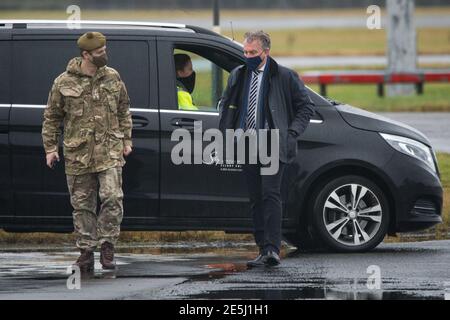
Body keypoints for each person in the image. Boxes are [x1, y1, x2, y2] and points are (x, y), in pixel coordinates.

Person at [219, 30, 315, 267]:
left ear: (266, 52)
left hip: (273, 143)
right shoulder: (239, 74)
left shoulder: (284, 76)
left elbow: (306, 107)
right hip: (246, 143)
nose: (248, 56)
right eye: (245, 51)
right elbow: (228, 104)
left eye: (253, 52)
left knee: (271, 195)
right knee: (255, 199)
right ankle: (262, 247)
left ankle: (273, 249)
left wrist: (291, 133)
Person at [42, 31, 133, 272]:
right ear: (85, 55)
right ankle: (86, 251)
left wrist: (126, 140)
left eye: (104, 50)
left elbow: (124, 109)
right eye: (99, 52)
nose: (104, 55)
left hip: (110, 151)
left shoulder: (113, 77)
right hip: (78, 153)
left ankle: (107, 246)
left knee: (113, 198)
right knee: (82, 205)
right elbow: (52, 117)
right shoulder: (64, 82)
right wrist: (50, 147)